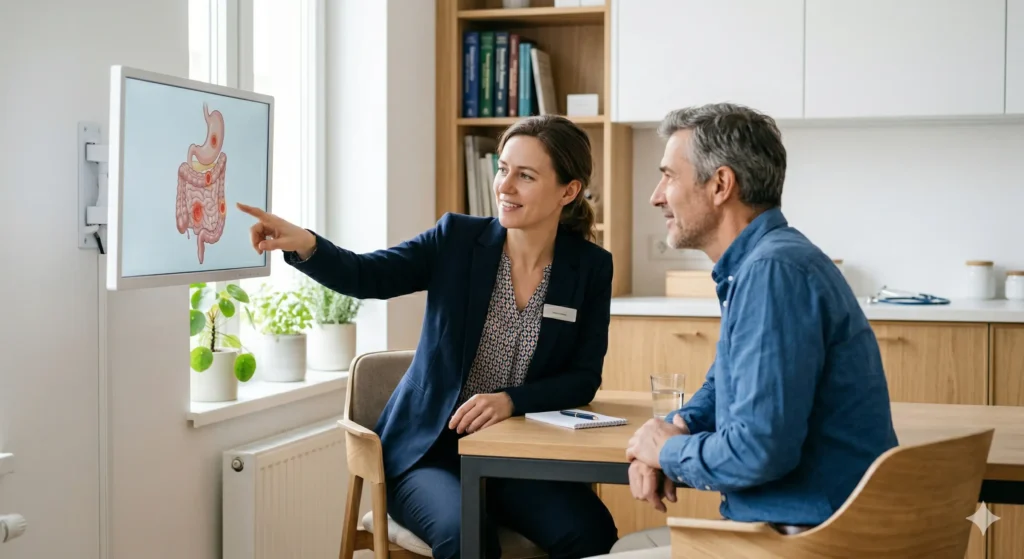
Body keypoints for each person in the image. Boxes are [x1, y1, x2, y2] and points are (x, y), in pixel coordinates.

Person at [238, 114, 619, 559]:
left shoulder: (590, 268)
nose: (505, 186)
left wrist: (511, 400)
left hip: (515, 457)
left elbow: (582, 377)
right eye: (503, 168)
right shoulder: (456, 239)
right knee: (468, 538)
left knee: (590, 530)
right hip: (429, 455)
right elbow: (368, 276)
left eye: (526, 176)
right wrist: (304, 243)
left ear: (568, 191)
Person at [600, 103, 899, 557]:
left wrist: (666, 453)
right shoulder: (764, 265)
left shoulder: (773, 273)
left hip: (808, 542)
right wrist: (671, 430)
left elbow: (758, 451)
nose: (656, 195)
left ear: (720, 185)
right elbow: (725, 385)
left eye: (669, 176)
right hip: (805, 530)